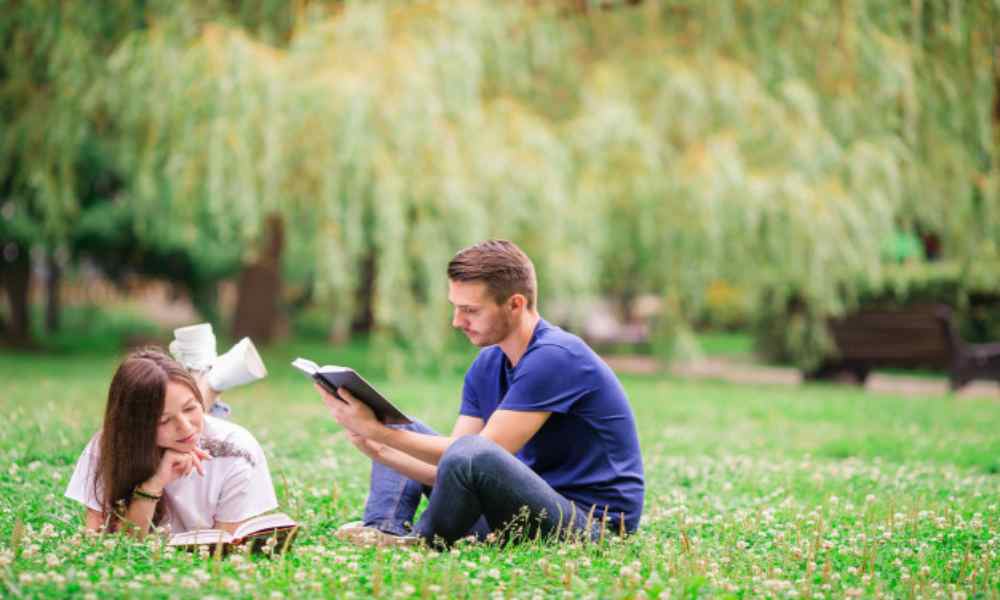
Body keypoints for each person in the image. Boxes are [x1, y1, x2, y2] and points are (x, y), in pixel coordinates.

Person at [320, 240, 644, 546]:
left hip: (589, 525)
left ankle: (423, 542)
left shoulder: (556, 356)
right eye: (455, 308)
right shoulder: (488, 363)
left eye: (470, 310)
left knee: (466, 449)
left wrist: (378, 432)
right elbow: (452, 470)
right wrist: (382, 448)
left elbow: (475, 455)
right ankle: (383, 528)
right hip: (520, 508)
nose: (456, 321)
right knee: (406, 429)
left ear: (515, 304)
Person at [65, 348, 278, 536]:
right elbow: (110, 542)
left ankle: (207, 381)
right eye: (163, 421)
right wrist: (154, 484)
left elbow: (225, 548)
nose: (186, 427)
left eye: (190, 408)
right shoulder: (109, 446)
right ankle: (206, 376)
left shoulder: (236, 450)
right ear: (134, 426)